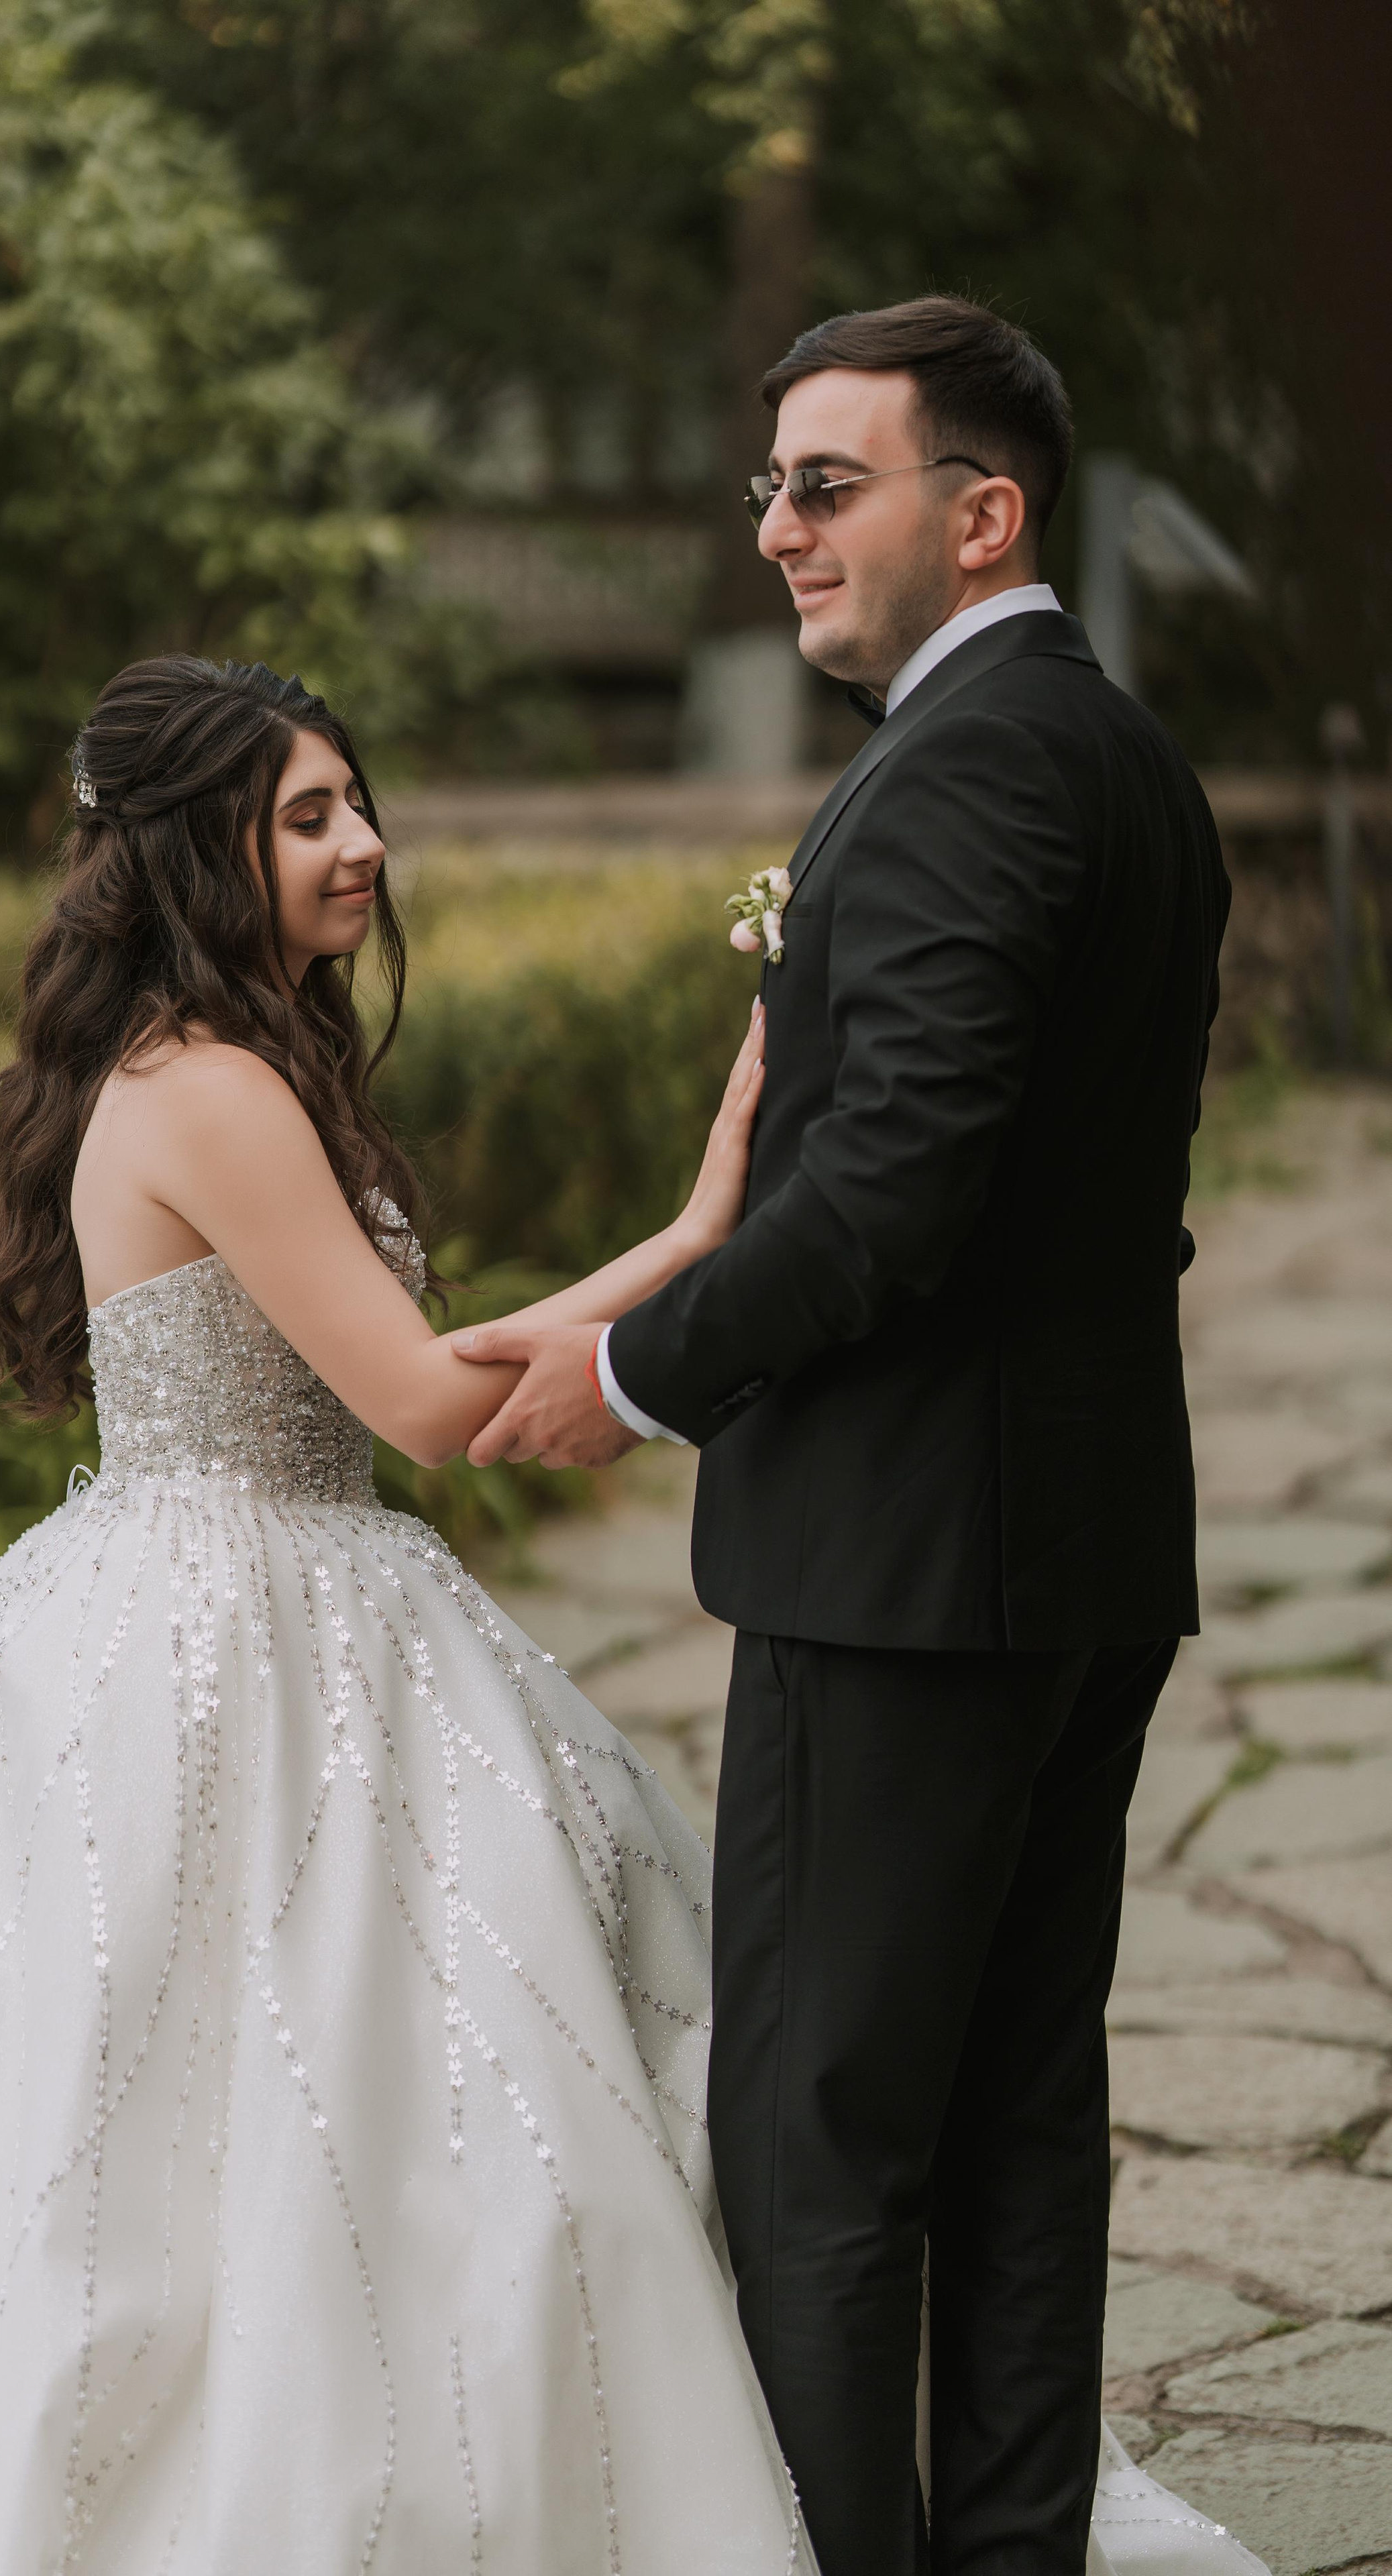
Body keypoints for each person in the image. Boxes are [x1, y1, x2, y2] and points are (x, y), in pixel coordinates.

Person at [0, 652, 812, 2573]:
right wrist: (689, 1272)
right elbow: (434, 1409)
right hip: (242, 1612)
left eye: (359, 803)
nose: (365, 844)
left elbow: (414, 1362)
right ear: (202, 847)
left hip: (244, 1576)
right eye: (309, 817)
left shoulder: (238, 1066)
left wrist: (690, 1248)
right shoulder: (207, 1092)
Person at [456, 298, 1259, 2576]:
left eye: (830, 483)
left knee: (823, 2143)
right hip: (1075, 1541)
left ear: (981, 510)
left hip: (910, 1564)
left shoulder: (980, 761)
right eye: (770, 488)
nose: (779, 531)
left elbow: (900, 1179)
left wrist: (638, 1374)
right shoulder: (1115, 755)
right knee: (1015, 2114)